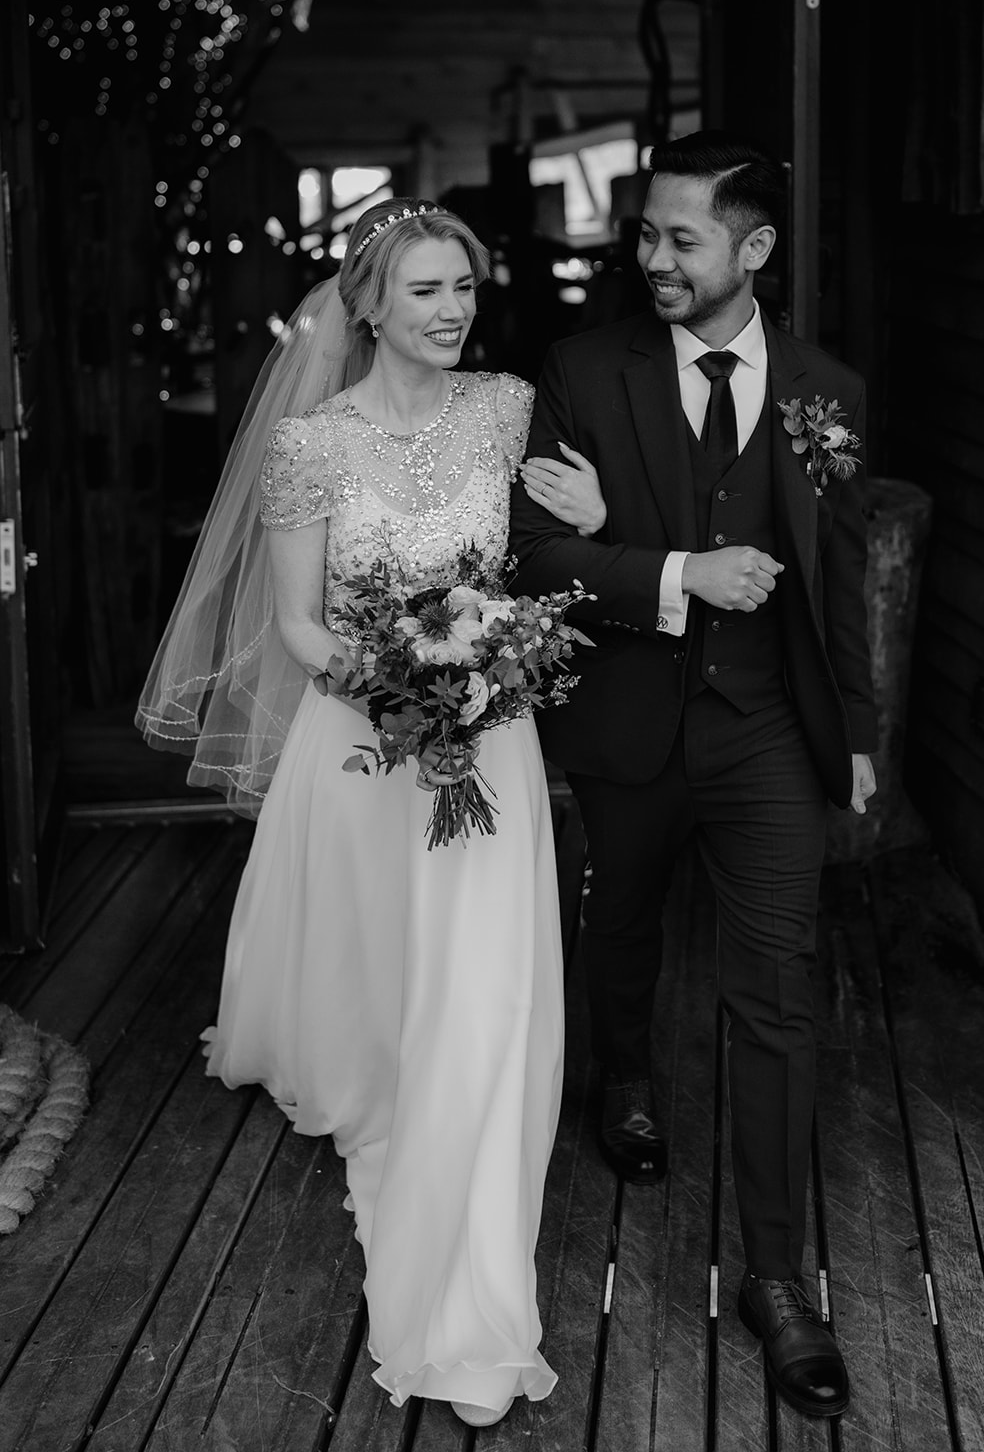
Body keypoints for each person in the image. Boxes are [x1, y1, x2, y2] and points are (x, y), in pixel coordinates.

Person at [136, 197, 605, 1429]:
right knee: (372, 965)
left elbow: (563, 546)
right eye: (426, 292)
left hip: (489, 740)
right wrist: (403, 690)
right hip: (365, 741)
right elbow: (297, 626)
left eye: (464, 288)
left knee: (480, 978)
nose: (452, 311)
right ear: (367, 307)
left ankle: (471, 1182)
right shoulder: (310, 446)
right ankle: (368, 1066)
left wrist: (590, 532)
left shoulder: (508, 411)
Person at [510, 134, 878, 1421]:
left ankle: (778, 1278)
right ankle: (623, 1075)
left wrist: (863, 733)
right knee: (619, 923)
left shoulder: (824, 388)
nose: (649, 258)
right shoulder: (577, 371)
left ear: (752, 251)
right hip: (627, 720)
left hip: (770, 731)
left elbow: (839, 580)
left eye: (680, 238)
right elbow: (531, 553)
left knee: (776, 991)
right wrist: (666, 570)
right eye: (646, 233)